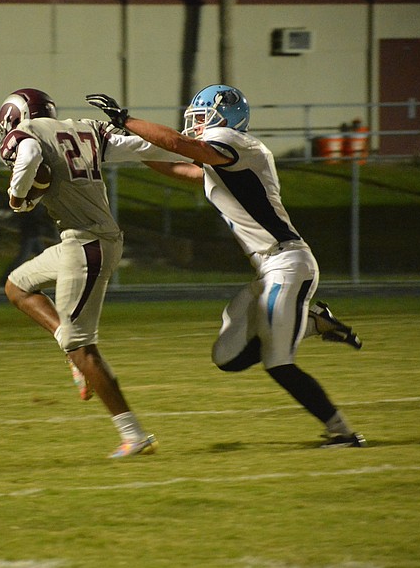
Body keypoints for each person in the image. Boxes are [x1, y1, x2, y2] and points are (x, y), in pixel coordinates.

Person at [87, 86, 366, 448]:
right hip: (269, 270)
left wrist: (127, 119)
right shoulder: (225, 160)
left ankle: (342, 432)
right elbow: (176, 165)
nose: (195, 122)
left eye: (202, 114)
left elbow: (181, 147)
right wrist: (121, 141)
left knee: (278, 362)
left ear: (225, 116)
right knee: (227, 357)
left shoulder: (236, 143)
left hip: (287, 262)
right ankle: (312, 322)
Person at [0, 88, 190, 458]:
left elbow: (31, 154)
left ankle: (135, 436)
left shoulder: (26, 136)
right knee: (17, 285)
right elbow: (140, 148)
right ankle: (70, 352)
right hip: (82, 241)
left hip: (88, 244)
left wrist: (17, 195)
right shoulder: (86, 129)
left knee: (82, 346)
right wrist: (189, 159)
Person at [0, 203, 51, 285]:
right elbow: (34, 217)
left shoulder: (32, 203)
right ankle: (6, 278)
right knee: (22, 258)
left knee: (41, 256)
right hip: (31, 234)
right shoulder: (33, 204)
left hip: (33, 234)